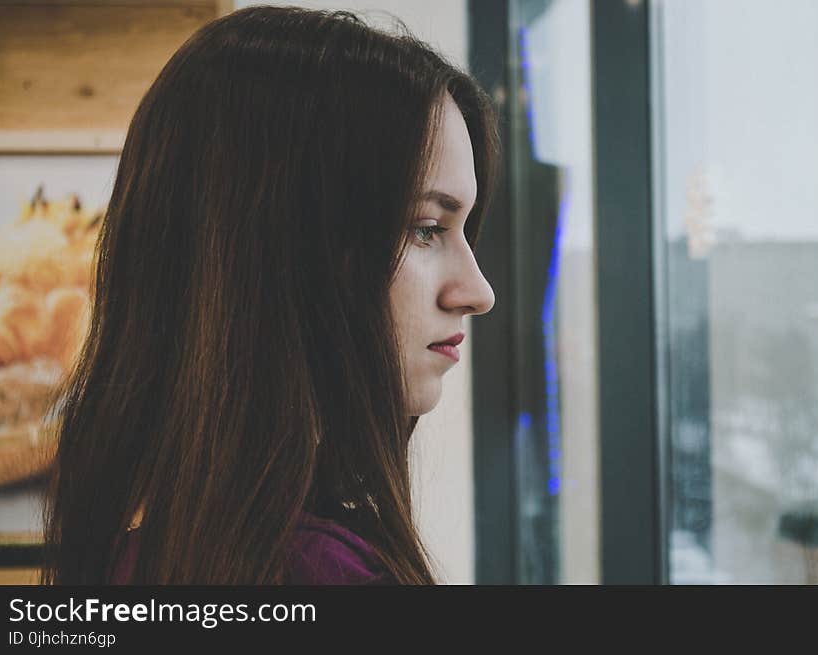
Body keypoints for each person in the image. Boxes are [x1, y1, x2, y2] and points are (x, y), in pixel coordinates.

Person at [40, 5, 497, 585]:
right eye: (425, 228)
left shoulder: (129, 565)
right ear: (286, 248)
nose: (477, 292)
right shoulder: (317, 574)